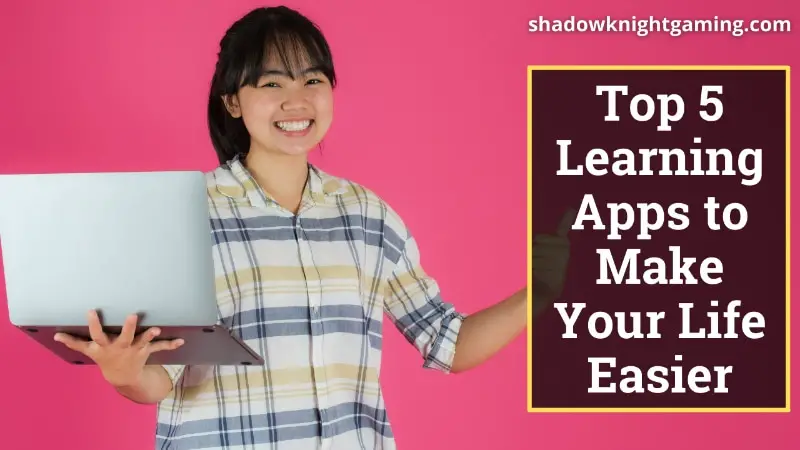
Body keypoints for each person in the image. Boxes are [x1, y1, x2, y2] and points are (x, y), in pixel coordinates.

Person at [53, 5, 572, 450]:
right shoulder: (187, 215)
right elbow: (158, 378)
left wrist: (543, 291)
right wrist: (122, 372)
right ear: (233, 101)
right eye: (271, 82)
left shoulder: (369, 217)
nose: (296, 100)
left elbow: (448, 343)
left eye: (312, 80)